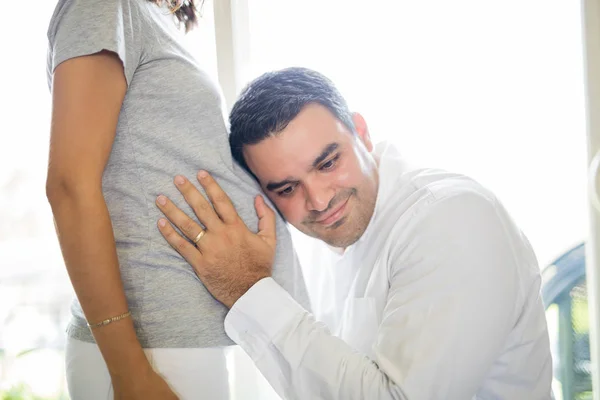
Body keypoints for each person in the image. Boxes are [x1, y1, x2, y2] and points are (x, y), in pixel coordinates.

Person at [157, 67, 553, 399]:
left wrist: (248, 289)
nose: (318, 200)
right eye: (287, 188)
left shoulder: (452, 219)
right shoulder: (329, 247)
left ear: (361, 133)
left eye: (328, 163)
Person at [45, 1, 308, 398]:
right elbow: (69, 185)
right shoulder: (105, 7)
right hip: (151, 354)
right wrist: (129, 372)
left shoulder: (154, 19)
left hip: (177, 345)